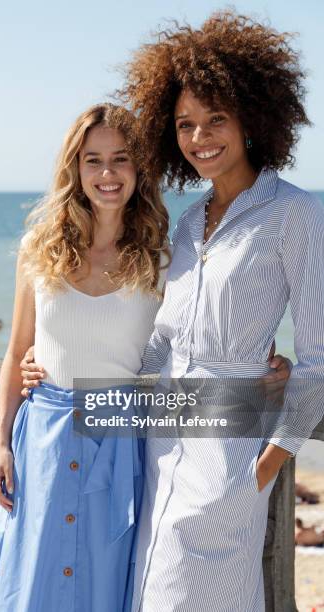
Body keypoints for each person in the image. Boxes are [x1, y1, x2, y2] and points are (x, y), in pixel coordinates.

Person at [114, 10, 324, 612]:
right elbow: (161, 342)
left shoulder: (294, 212)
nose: (199, 137)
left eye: (216, 119)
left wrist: (256, 475)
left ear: (252, 119)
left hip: (226, 462)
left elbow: (314, 359)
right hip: (159, 450)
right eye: (184, 124)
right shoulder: (186, 223)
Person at [0, 103, 171, 612]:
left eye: (121, 159)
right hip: (43, 440)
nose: (107, 174)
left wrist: (265, 359)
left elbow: (195, 339)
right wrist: (1, 444)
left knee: (104, 585)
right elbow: (17, 350)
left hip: (119, 445)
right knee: (36, 584)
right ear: (75, 168)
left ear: (139, 169)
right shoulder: (38, 247)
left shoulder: (161, 257)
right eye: (93, 160)